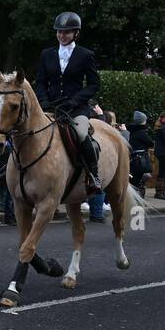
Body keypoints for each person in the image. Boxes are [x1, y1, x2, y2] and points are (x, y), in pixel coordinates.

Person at [33, 11, 102, 194]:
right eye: (59, 32)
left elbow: (94, 84)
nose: (62, 36)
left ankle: (93, 175)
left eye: (67, 32)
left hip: (76, 108)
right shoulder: (47, 54)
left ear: (75, 34)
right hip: (51, 106)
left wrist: (75, 101)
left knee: (80, 134)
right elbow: (40, 81)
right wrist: (44, 100)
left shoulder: (85, 55)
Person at [126, 111, 154, 198]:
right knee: (139, 178)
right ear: (142, 121)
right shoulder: (141, 132)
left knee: (134, 177)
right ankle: (137, 196)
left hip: (133, 157)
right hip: (140, 158)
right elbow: (150, 143)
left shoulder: (132, 130)